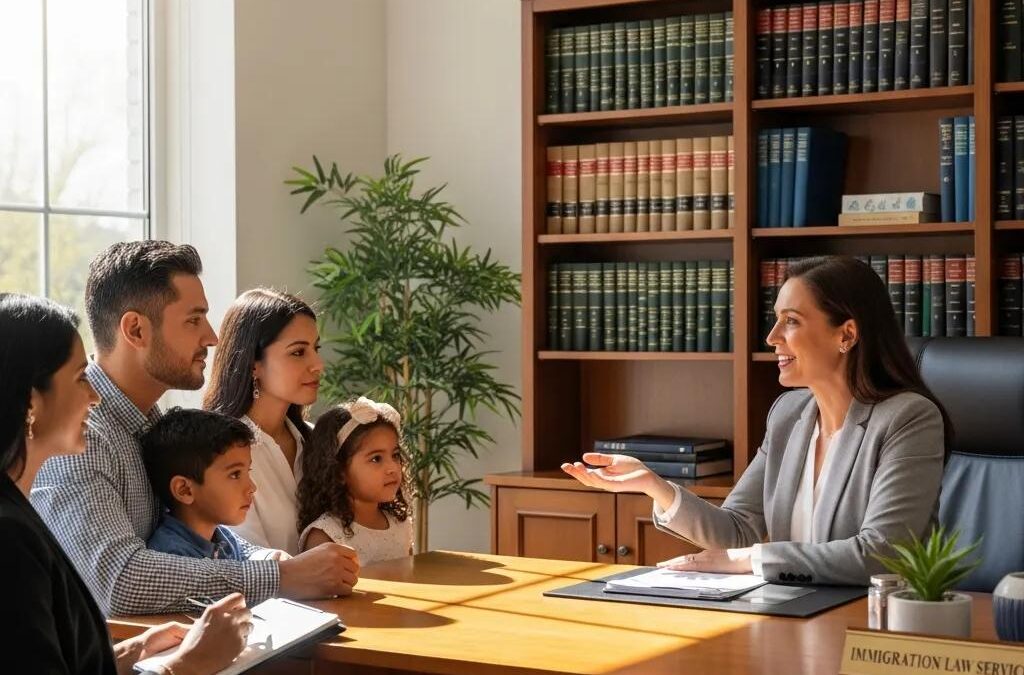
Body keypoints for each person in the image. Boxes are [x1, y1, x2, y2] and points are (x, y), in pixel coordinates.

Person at [562, 256, 951, 586]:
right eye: (776, 320)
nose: (771, 336)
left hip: (867, 626)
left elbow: (880, 554)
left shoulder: (907, 419)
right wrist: (654, 485)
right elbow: (736, 529)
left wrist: (750, 560)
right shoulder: (789, 415)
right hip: (791, 613)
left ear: (846, 334)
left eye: (791, 321)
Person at [31, 241, 359, 615]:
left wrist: (271, 561)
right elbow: (120, 581)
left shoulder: (152, 424)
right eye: (193, 319)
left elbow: (205, 535)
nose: (213, 337)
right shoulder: (80, 438)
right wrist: (281, 578)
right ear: (136, 330)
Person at [0, 293, 251, 674]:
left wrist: (122, 655)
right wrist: (187, 664)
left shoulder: (19, 515)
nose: (94, 395)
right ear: (32, 402)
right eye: (79, 377)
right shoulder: (8, 536)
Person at [202, 289, 321, 554]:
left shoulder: (317, 441)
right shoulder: (221, 454)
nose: (317, 364)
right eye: (298, 352)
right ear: (253, 363)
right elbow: (244, 560)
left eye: (316, 348)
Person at [142, 408, 283, 562]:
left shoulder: (223, 537)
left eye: (247, 471)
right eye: (235, 474)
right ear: (185, 490)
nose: (252, 488)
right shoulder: (171, 557)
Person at [297, 397, 413, 565]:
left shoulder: (400, 524)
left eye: (395, 455)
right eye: (376, 459)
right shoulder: (325, 535)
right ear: (339, 472)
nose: (393, 468)